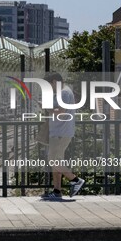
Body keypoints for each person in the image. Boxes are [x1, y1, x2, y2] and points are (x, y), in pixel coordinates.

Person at [41, 72, 85, 200]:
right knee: (57, 161)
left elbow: (61, 111)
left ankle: (75, 180)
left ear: (54, 81)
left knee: (52, 160)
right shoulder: (62, 92)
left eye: (48, 85)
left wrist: (45, 107)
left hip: (61, 133)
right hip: (58, 132)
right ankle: (57, 191)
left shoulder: (64, 93)